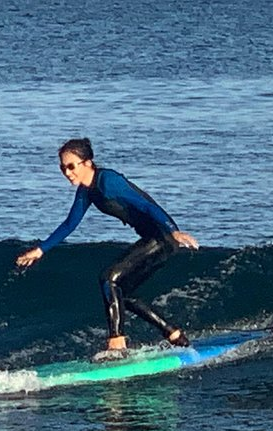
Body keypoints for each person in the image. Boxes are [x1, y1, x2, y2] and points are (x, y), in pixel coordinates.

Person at [16, 138, 199, 351]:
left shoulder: (108, 181)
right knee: (123, 294)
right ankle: (174, 334)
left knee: (108, 279)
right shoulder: (87, 191)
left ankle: (117, 342)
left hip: (162, 237)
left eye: (71, 166)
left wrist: (172, 230)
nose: (67, 172)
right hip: (152, 238)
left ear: (87, 163)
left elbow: (147, 206)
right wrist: (40, 250)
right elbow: (69, 224)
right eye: (62, 168)